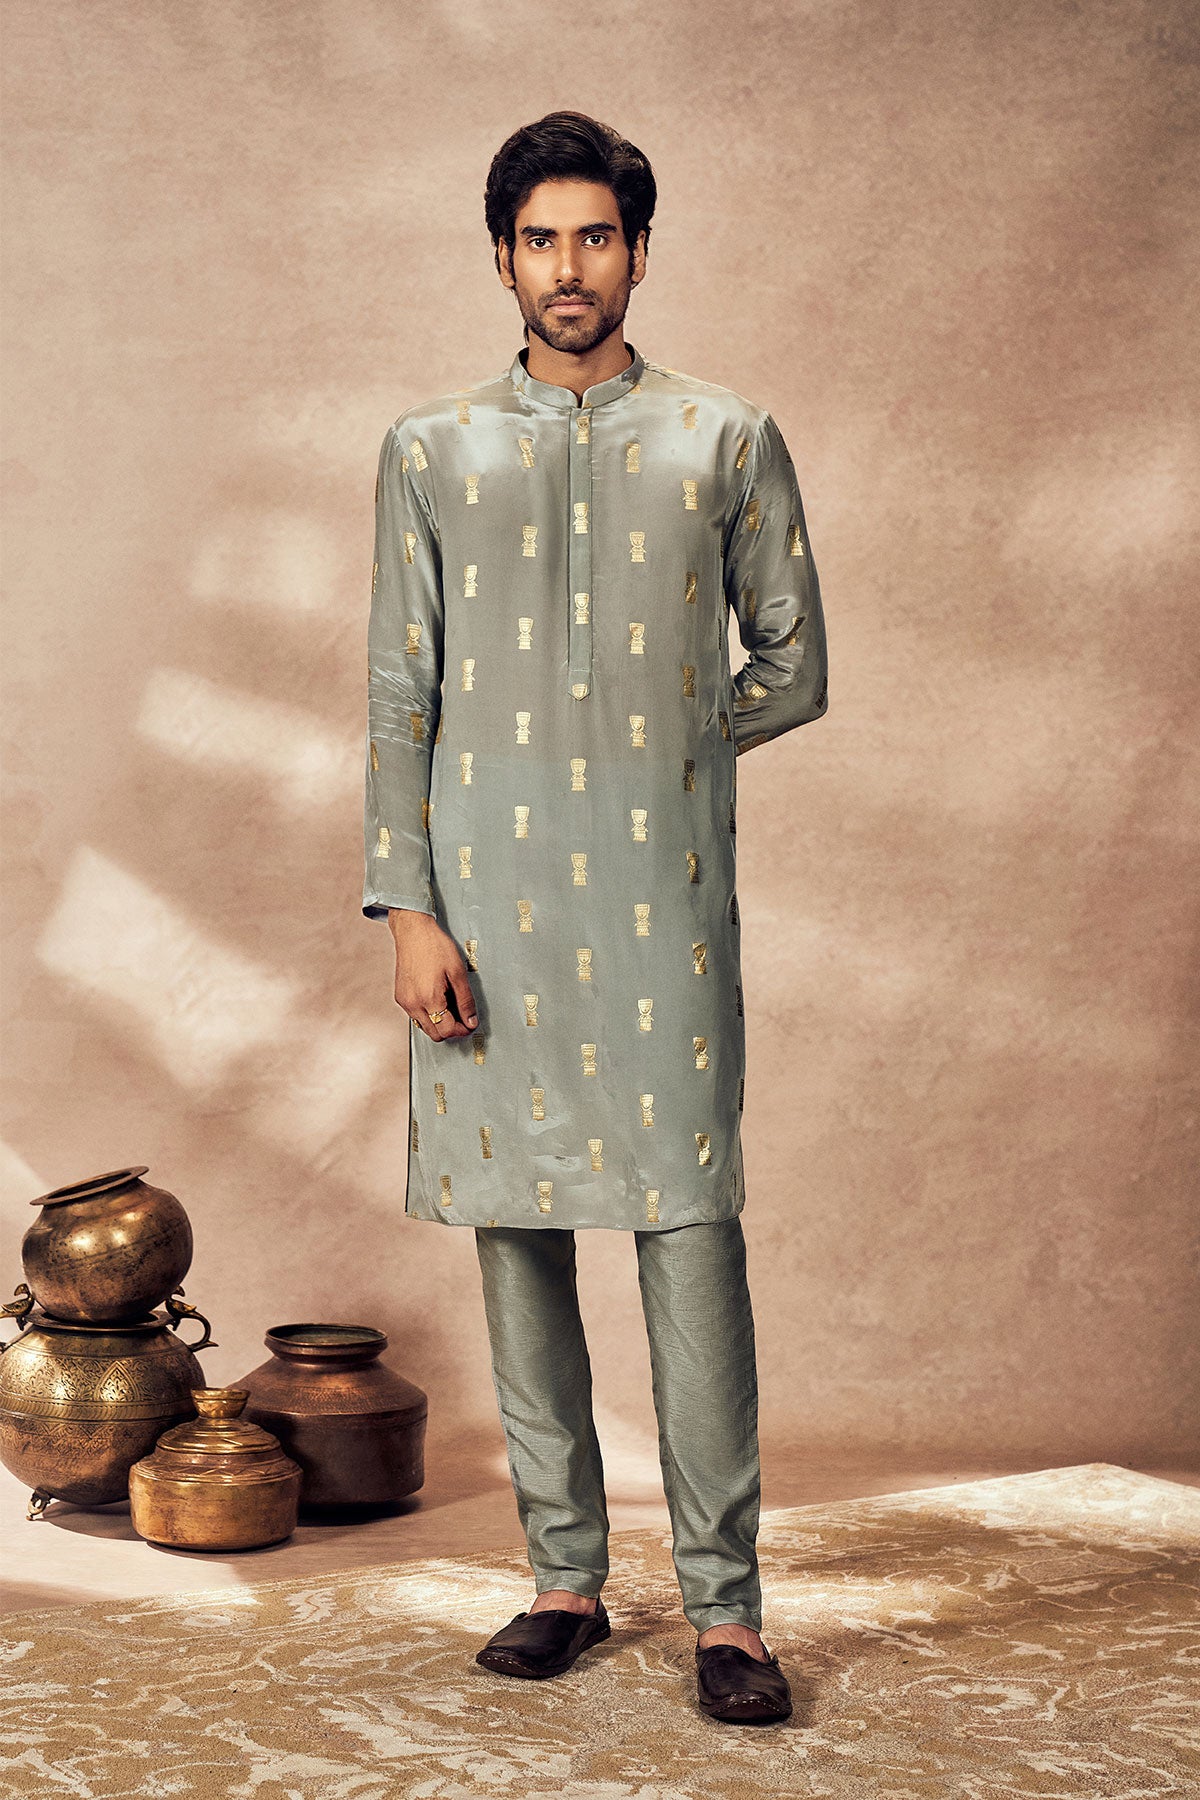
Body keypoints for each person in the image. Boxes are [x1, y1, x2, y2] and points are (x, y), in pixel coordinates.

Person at [362, 110, 828, 1725]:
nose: (571, 267)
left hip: (661, 905)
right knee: (521, 1235)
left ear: (638, 251)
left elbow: (793, 661)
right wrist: (409, 909)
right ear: (502, 258)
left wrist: (669, 743)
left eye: (598, 237)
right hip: (484, 910)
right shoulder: (429, 448)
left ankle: (728, 1613)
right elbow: (399, 693)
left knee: (689, 1233)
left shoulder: (724, 436)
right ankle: (564, 1578)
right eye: (542, 239)